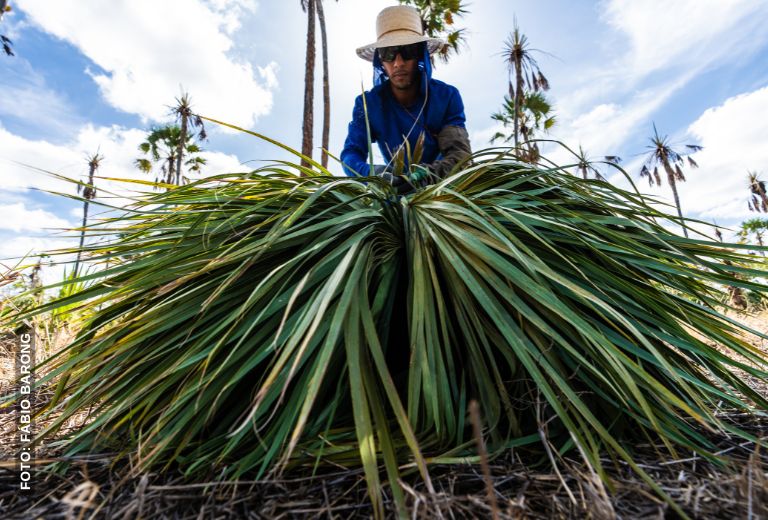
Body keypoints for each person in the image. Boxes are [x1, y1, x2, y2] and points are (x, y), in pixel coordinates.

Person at [340, 5, 471, 190]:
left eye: (408, 51)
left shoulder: (447, 97)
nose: (398, 63)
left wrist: (421, 177)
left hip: (444, 192)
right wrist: (373, 174)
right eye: (388, 53)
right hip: (391, 193)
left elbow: (460, 157)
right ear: (380, 61)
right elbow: (350, 155)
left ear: (420, 55)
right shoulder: (367, 104)